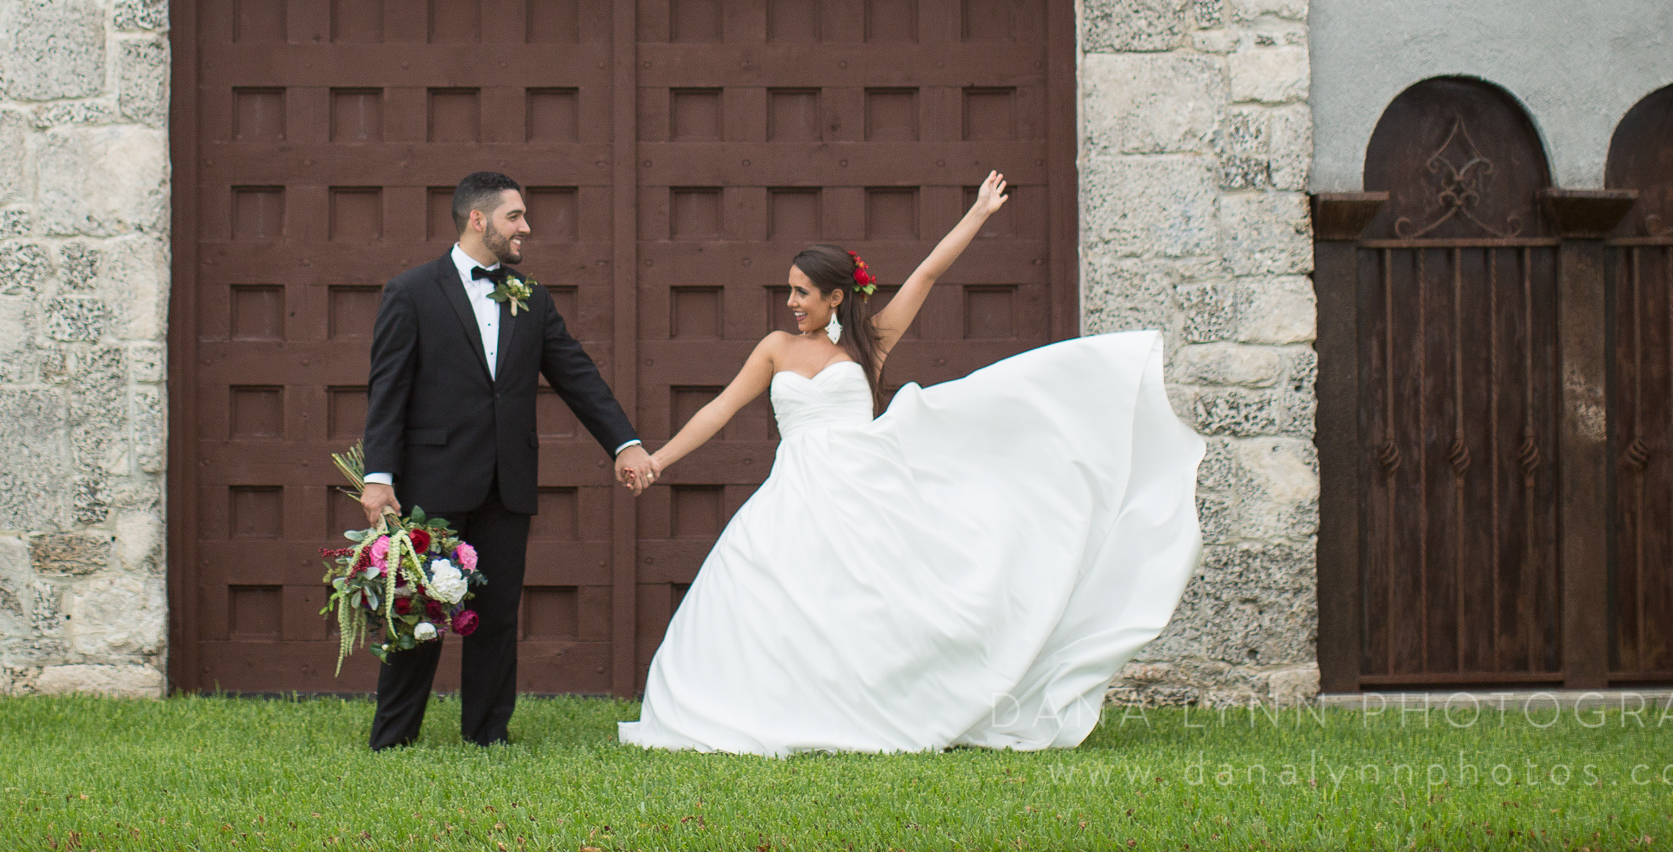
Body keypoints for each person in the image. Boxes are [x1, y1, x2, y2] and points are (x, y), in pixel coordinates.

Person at [618, 172, 1204, 754]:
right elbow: (720, 409)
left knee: (890, 603)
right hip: (794, 492)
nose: (790, 302)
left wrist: (978, 212)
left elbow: (927, 273)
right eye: (789, 291)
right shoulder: (775, 347)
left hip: (866, 488)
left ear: (835, 298)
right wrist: (659, 459)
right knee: (770, 595)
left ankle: (907, 702)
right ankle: (781, 709)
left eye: (801, 292)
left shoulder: (866, 344)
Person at [359, 170, 657, 749]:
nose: (527, 226)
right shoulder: (412, 291)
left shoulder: (532, 296)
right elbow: (387, 389)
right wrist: (378, 478)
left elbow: (577, 375)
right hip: (433, 480)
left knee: (495, 616)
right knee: (420, 612)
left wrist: (625, 443)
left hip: (508, 483)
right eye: (515, 216)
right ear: (479, 219)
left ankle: (488, 734)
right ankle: (393, 738)